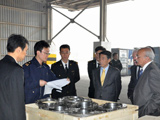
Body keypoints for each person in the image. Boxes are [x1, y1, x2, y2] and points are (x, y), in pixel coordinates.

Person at [0, 34, 28, 120]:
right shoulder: (16, 70)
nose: (26, 54)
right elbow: (17, 102)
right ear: (19, 50)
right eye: (25, 50)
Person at [133, 47, 160, 117]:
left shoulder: (152, 71)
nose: (135, 58)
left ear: (147, 58)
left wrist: (146, 111)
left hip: (148, 113)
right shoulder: (146, 69)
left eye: (138, 56)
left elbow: (158, 95)